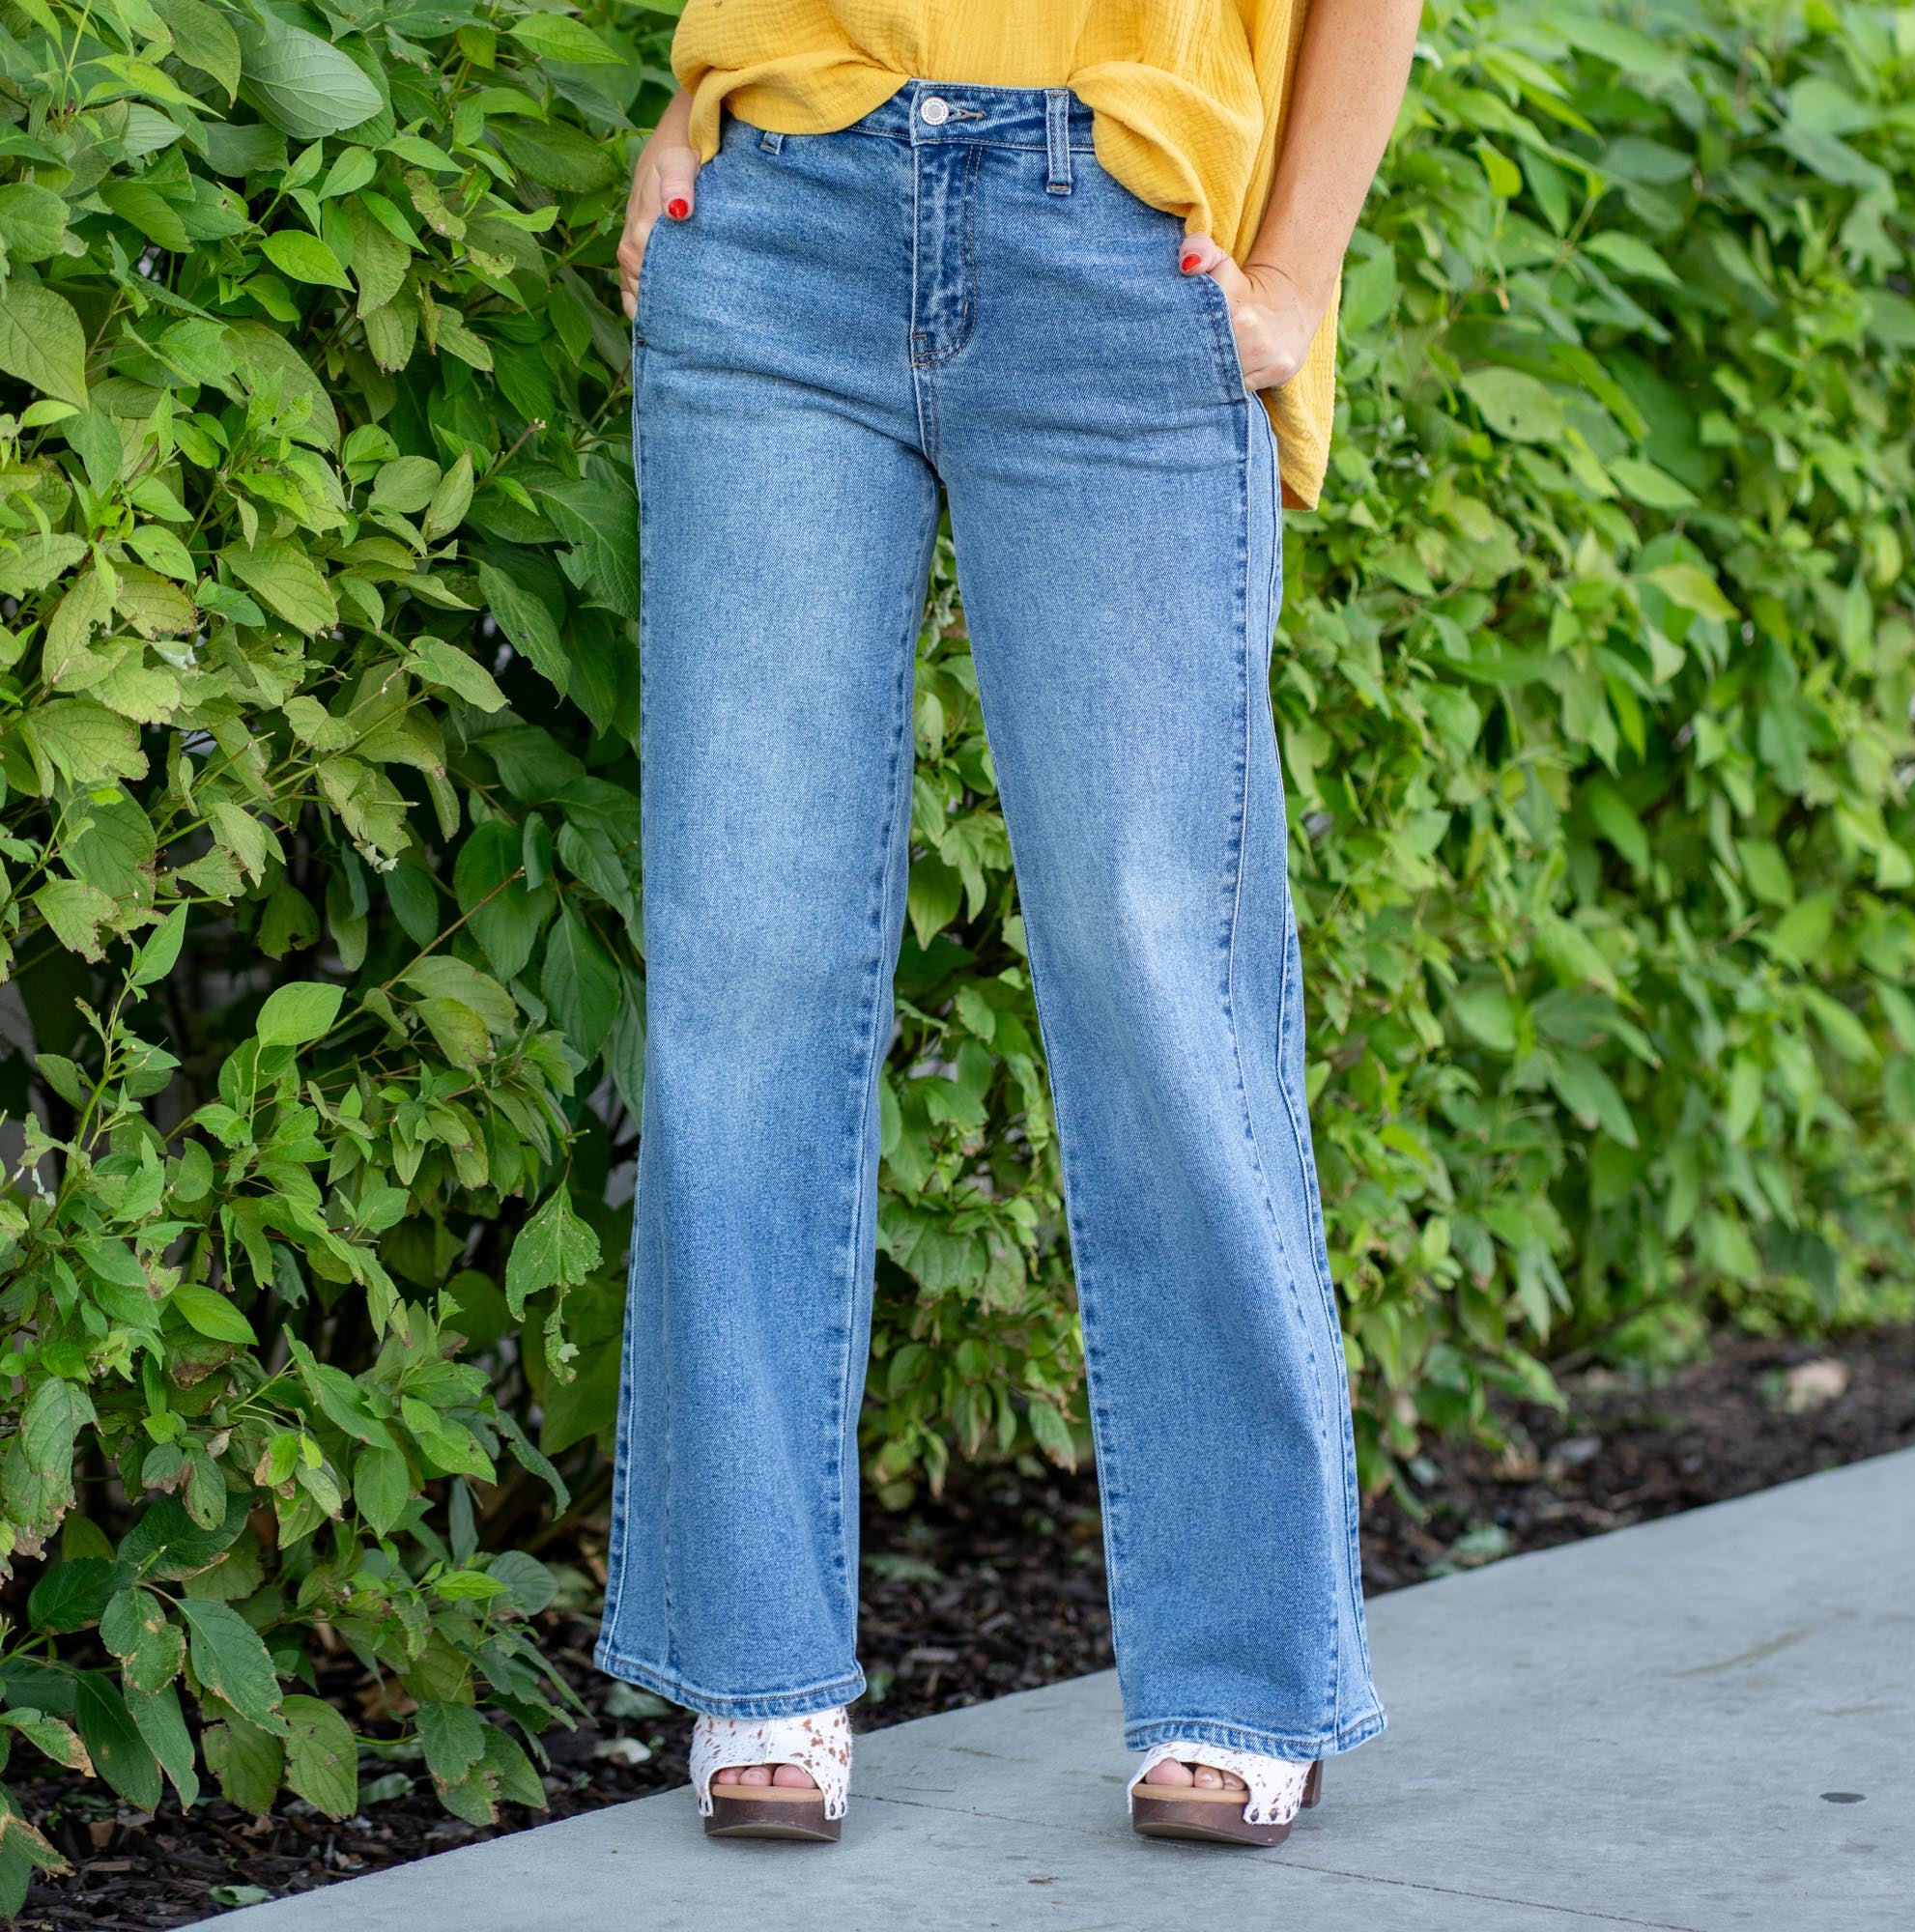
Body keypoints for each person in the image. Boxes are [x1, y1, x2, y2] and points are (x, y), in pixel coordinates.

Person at [598, 0, 1424, 1849]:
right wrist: (692, 104)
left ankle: (1243, 1674)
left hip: (1123, 232)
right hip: (780, 213)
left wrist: (1299, 275)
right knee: (744, 956)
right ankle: (755, 1657)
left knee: (1160, 965)